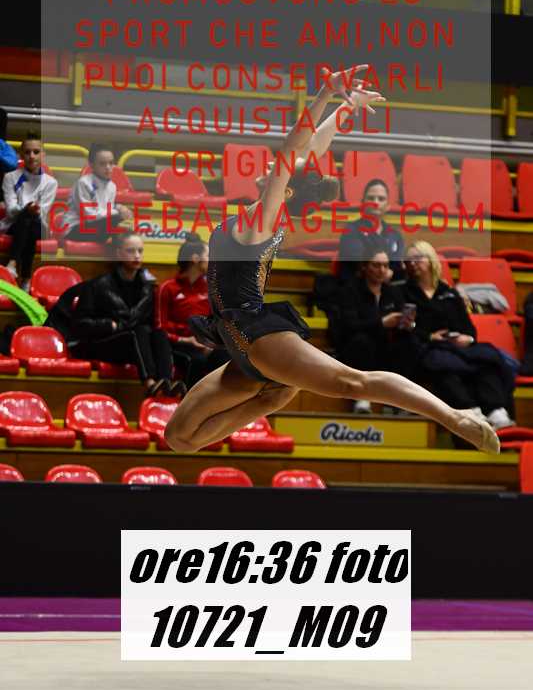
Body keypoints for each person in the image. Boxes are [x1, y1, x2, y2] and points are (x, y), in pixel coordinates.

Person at [164, 65, 499, 456]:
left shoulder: (261, 221)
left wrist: (325, 93)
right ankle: (274, 393)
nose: (273, 166)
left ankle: (455, 417)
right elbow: (309, 151)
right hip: (238, 343)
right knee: (180, 438)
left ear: (286, 189)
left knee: (354, 382)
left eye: (281, 170)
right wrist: (346, 107)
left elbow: (294, 150)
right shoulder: (265, 215)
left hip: (258, 337)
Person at [403, 240, 515, 431]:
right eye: (408, 260)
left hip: (456, 346)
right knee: (444, 367)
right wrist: (429, 336)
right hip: (428, 347)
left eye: (417, 259)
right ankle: (472, 412)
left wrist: (467, 338)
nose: (412, 264)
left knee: (486, 361)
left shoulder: (450, 293)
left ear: (430, 260)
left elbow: (469, 329)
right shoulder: (402, 292)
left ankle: (496, 410)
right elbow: (405, 328)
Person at [70, 231, 183, 397]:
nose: (137, 255)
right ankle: (150, 384)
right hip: (101, 343)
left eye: (140, 251)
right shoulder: (97, 285)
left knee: (158, 333)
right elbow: (79, 325)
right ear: (119, 254)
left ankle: (165, 382)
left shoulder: (148, 287)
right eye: (131, 251)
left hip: (133, 345)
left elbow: (151, 322)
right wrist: (109, 325)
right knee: (139, 332)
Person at [333, 244, 416, 414]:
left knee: (408, 343)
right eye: (376, 265)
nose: (382, 270)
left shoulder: (393, 292)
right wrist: (381, 323)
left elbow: (401, 323)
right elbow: (349, 326)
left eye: (385, 265)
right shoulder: (349, 291)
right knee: (362, 341)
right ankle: (363, 397)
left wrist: (407, 324)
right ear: (364, 266)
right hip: (357, 348)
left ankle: (398, 401)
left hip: (386, 345)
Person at [159, 232, 229, 387]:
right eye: (209, 256)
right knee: (197, 360)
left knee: (227, 355)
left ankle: (220, 399)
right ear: (195, 259)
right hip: (178, 345)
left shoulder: (210, 288)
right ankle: (188, 399)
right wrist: (186, 339)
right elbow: (159, 327)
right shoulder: (168, 288)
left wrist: (211, 342)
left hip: (204, 343)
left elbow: (216, 321)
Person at [0, 133, 57, 291]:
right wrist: (27, 208)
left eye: (36, 152)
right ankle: (26, 278)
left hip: (39, 225)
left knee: (31, 220)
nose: (32, 156)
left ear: (43, 155)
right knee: (27, 218)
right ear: (21, 155)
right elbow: (11, 211)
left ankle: (12, 262)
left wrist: (32, 210)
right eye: (27, 152)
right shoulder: (10, 177)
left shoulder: (51, 182)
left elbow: (43, 212)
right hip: (14, 224)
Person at [338, 178, 404, 283]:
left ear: (388, 206)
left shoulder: (395, 235)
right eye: (371, 198)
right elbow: (358, 266)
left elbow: (397, 268)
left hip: (388, 289)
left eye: (381, 199)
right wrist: (385, 273)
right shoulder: (351, 231)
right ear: (363, 203)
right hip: (357, 288)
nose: (375, 202)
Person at [62, 143, 132, 242]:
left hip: (97, 227)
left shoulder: (112, 186)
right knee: (115, 220)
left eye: (111, 163)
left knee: (126, 229)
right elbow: (90, 216)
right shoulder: (83, 183)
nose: (108, 167)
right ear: (92, 165)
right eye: (102, 164)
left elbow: (106, 210)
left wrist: (119, 208)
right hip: (75, 229)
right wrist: (118, 212)